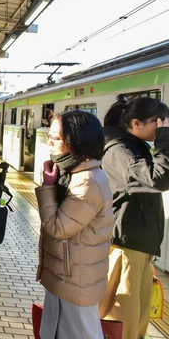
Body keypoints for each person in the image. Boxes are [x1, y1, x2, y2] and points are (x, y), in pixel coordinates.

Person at [35, 110, 113, 339]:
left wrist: (48, 188)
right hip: (67, 273)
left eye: (56, 138)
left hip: (76, 279)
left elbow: (58, 228)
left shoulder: (87, 181)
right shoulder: (74, 173)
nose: (49, 141)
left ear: (76, 141)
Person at [99, 97, 169, 339]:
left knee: (136, 317)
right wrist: (164, 139)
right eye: (158, 124)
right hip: (125, 245)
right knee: (121, 318)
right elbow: (158, 179)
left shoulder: (134, 147)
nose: (161, 128)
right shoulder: (120, 151)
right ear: (136, 124)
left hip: (138, 244)